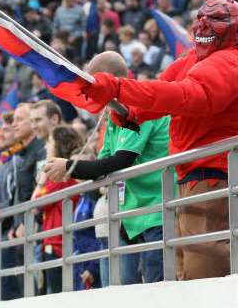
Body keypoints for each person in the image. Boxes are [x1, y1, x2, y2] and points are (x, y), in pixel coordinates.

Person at [81, 0, 238, 280]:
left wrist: (120, 89)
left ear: (236, 28)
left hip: (214, 172)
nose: (202, 24)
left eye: (213, 19)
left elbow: (188, 97)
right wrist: (130, 111)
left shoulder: (229, 62)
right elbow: (163, 89)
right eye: (201, 16)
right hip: (196, 173)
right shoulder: (196, 58)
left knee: (203, 272)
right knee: (185, 267)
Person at [45, 51, 170, 285]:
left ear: (108, 80)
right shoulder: (114, 114)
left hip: (158, 212)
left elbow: (122, 159)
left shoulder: (138, 102)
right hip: (135, 217)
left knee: (157, 290)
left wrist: (70, 167)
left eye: (92, 84)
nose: (88, 92)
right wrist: (70, 170)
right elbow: (102, 165)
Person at [32, 125, 81, 294]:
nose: (46, 146)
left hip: (58, 244)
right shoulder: (65, 174)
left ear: (60, 145)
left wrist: (42, 179)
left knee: (58, 295)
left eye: (50, 142)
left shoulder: (60, 176)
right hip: (59, 243)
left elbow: (35, 204)